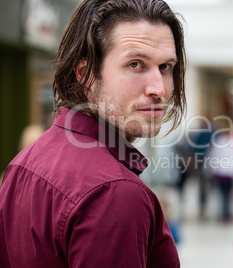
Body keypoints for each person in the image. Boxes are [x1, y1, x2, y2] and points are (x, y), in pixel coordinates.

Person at [0, 0, 186, 267]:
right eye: (136, 64)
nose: (159, 88)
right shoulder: (114, 192)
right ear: (86, 75)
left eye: (165, 67)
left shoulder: (23, 162)